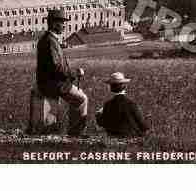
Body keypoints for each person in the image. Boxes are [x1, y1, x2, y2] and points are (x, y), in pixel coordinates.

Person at [36, 9, 88, 137]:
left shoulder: (47, 39)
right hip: (55, 84)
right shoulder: (51, 41)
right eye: (62, 22)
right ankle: (76, 132)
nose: (64, 25)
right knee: (81, 99)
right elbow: (57, 67)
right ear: (54, 24)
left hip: (49, 82)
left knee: (75, 100)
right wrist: (75, 73)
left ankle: (69, 130)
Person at [96, 72, 149, 138]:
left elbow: (103, 123)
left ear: (111, 88)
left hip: (113, 137)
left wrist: (98, 115)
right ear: (125, 86)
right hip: (130, 137)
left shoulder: (107, 105)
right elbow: (143, 125)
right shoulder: (131, 104)